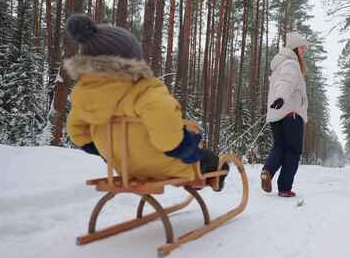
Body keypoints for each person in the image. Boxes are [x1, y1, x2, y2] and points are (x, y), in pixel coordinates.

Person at [64, 13, 228, 189]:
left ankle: (198, 176)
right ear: (133, 60)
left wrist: (109, 152)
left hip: (123, 167)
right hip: (161, 165)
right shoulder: (144, 91)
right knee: (211, 160)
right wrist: (187, 149)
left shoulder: (83, 96)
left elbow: (77, 133)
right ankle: (209, 178)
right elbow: (167, 135)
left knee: (194, 156)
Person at [261, 32, 308, 197]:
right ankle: (284, 188)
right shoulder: (291, 64)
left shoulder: (280, 65)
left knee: (279, 147)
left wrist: (279, 99)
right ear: (295, 48)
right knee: (293, 151)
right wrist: (281, 97)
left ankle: (267, 171)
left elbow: (282, 82)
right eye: (302, 48)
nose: (304, 52)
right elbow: (286, 82)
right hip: (291, 114)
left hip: (276, 114)